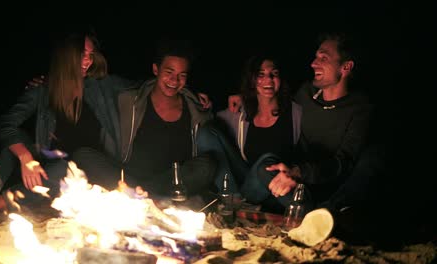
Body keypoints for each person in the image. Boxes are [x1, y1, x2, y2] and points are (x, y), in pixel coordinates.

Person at [0, 28, 140, 217]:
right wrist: (26, 158)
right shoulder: (43, 90)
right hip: (50, 165)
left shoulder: (101, 86)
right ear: (66, 56)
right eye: (82, 55)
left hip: (89, 168)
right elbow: (6, 123)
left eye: (91, 55)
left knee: (63, 168)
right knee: (13, 141)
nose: (88, 61)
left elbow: (143, 87)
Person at [227, 32, 378, 217]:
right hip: (288, 185)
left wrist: (299, 173)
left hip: (322, 186)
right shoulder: (305, 94)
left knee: (374, 155)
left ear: (346, 67)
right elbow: (272, 93)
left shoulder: (360, 108)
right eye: (315, 57)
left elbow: (344, 162)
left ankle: (322, 214)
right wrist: (245, 97)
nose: (314, 63)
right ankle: (314, 216)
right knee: (266, 165)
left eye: (323, 58)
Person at [65, 37, 217, 207]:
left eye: (181, 76)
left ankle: (143, 197)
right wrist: (45, 82)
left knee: (207, 166)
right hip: (127, 176)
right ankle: (153, 198)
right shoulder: (130, 99)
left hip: (170, 181)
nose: (174, 81)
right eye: (169, 73)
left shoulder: (195, 108)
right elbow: (89, 82)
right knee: (83, 155)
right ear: (155, 69)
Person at [200, 54, 301, 213]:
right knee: (206, 132)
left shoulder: (296, 113)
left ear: (280, 78)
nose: (268, 79)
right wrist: (200, 100)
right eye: (260, 75)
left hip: (277, 188)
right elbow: (208, 117)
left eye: (273, 74)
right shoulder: (241, 113)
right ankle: (233, 200)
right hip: (246, 183)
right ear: (252, 80)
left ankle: (237, 205)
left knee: (267, 162)